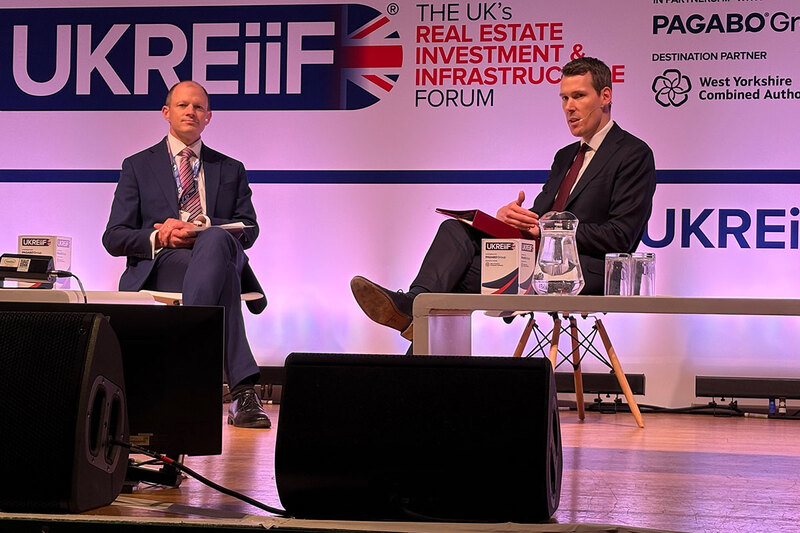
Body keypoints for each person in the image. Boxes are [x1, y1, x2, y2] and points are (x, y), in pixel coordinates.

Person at [351, 57, 657, 339]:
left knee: (455, 279)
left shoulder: (633, 153)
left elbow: (621, 237)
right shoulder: (565, 156)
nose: (569, 107)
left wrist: (547, 231)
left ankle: (412, 317)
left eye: (579, 96)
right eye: (564, 98)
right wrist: (512, 220)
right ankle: (415, 306)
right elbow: (538, 217)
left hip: (585, 272)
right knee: (454, 230)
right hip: (536, 262)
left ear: (605, 96)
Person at [103, 81, 270, 428]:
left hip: (218, 253)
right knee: (223, 272)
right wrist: (159, 236)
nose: (190, 112)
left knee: (215, 241)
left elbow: (249, 229)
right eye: (182, 105)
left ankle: (187, 369)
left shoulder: (231, 168)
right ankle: (242, 392)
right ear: (166, 112)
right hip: (167, 261)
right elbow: (114, 237)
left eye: (198, 107)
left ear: (208, 117)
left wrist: (204, 225)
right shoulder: (137, 165)